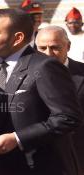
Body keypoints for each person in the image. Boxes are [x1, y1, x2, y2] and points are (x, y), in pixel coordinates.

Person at [0, 9, 82, 175]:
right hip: (8, 165)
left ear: (18, 38)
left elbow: (67, 117)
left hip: (44, 167)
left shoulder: (45, 66)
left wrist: (18, 138)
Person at [35, 25, 84, 175]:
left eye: (55, 47)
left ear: (68, 46)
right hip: (42, 156)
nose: (48, 54)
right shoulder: (25, 75)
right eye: (42, 48)